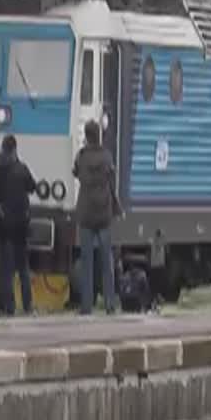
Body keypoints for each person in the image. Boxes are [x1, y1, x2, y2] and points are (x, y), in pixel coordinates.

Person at [73, 119, 119, 315]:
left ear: (86, 135)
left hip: (85, 213)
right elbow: (111, 176)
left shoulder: (81, 156)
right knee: (106, 260)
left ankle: (86, 305)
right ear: (99, 135)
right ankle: (109, 303)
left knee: (87, 261)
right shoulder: (107, 156)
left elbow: (76, 172)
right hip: (103, 212)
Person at [0, 134, 37, 315]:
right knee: (23, 269)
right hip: (21, 224)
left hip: (4, 224)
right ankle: (27, 306)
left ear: (3, 148)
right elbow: (32, 186)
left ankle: (9, 307)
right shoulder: (21, 168)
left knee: (7, 270)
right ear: (15, 149)